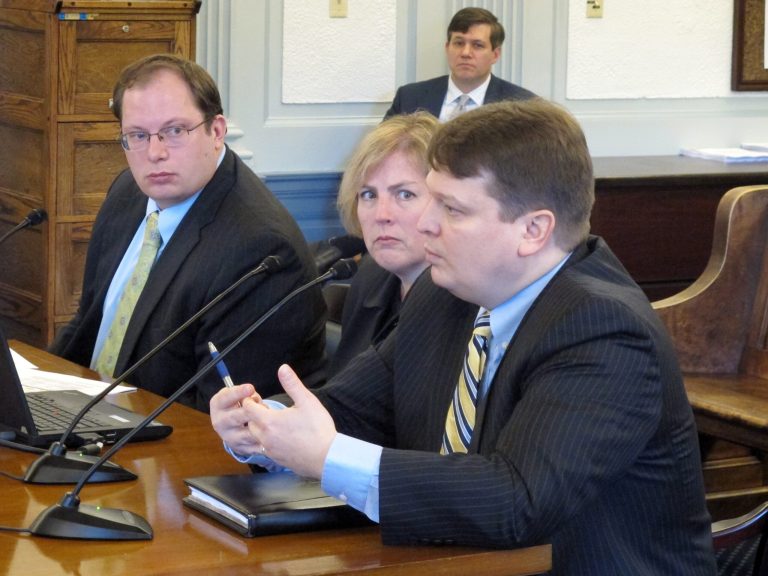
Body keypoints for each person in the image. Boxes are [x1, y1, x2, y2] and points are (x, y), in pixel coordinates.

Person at [210, 99, 716, 574]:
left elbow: (517, 501)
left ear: (533, 230)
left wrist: (326, 456)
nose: (425, 225)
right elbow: (356, 410)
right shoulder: (445, 293)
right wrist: (264, 425)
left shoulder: (603, 329)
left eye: (452, 209)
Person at [51, 54, 326, 413]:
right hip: (89, 422)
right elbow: (89, 324)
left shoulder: (261, 250)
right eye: (137, 135)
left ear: (216, 131)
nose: (155, 152)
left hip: (169, 447)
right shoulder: (127, 194)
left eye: (175, 131)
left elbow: (221, 416)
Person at [329, 112, 438, 375]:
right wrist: (266, 408)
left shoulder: (468, 303)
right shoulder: (370, 277)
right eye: (368, 195)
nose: (382, 215)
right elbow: (342, 394)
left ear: (447, 202)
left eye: (405, 194)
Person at [383, 7, 535, 121]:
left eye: (477, 45)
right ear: (447, 48)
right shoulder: (409, 97)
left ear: (495, 54)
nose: (465, 53)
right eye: (459, 43)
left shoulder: (523, 106)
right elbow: (382, 152)